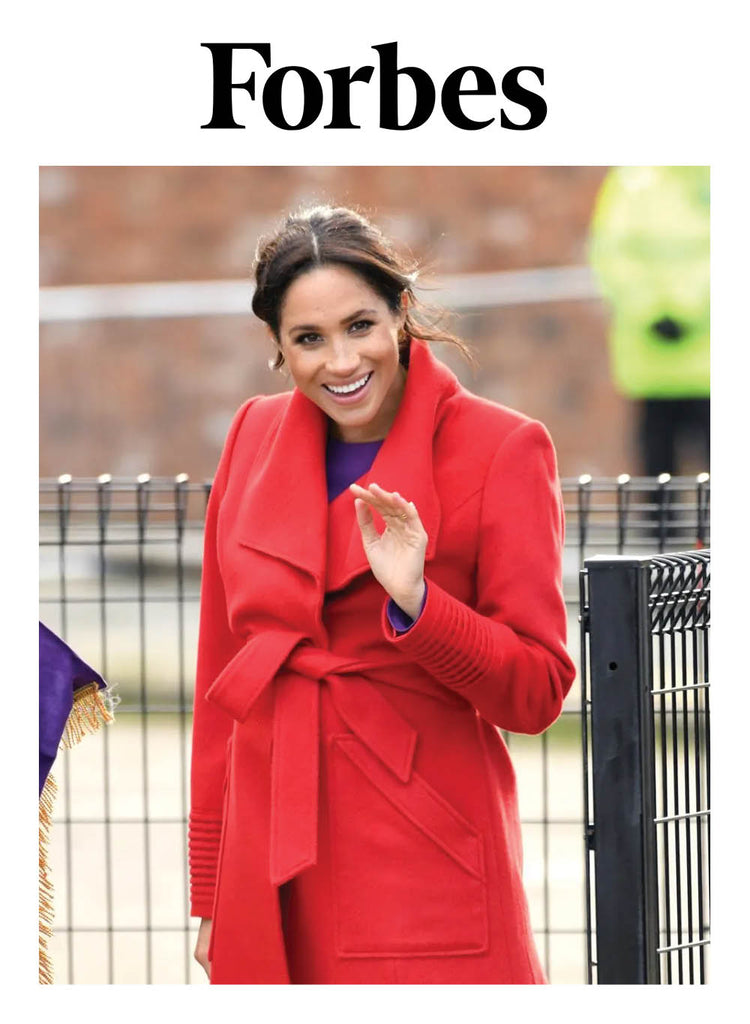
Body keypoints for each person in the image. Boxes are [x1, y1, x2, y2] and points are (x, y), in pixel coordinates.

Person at [189, 205, 576, 984]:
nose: (341, 362)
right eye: (309, 339)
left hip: (424, 848)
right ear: (278, 347)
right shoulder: (253, 436)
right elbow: (220, 677)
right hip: (270, 852)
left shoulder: (502, 447)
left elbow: (536, 693)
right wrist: (212, 889)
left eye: (360, 325)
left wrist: (420, 606)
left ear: (400, 311)